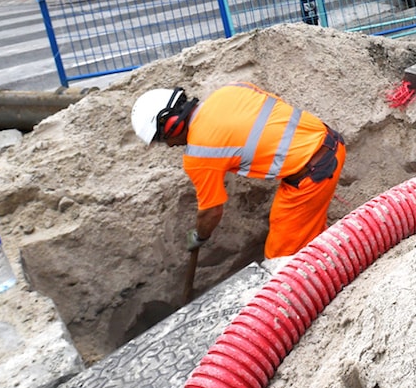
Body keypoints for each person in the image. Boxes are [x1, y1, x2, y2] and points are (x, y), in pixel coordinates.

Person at [132, 82, 345, 260]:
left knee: (280, 259)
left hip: (312, 176)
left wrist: (199, 236)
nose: (169, 146)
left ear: (171, 124)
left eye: (163, 140)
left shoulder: (198, 153)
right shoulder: (229, 91)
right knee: (302, 230)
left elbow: (211, 211)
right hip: (330, 143)